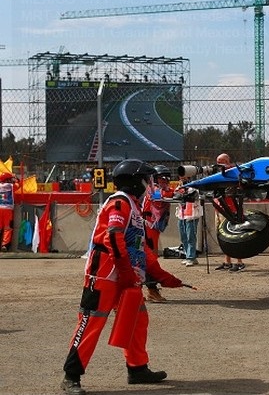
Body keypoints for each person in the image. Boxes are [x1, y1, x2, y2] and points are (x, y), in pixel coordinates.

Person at [60, 159, 184, 395]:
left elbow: (140, 250)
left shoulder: (133, 207)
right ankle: (71, 376)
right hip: (105, 274)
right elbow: (113, 238)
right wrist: (127, 272)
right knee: (90, 322)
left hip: (126, 278)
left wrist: (164, 277)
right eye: (145, 179)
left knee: (137, 320)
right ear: (135, 182)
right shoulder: (119, 202)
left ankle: (137, 369)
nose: (148, 184)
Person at [141, 164, 175, 302]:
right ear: (155, 179)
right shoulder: (153, 189)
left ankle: (144, 291)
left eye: (167, 178)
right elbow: (161, 196)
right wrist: (176, 193)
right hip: (146, 228)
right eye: (162, 178)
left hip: (152, 229)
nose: (165, 180)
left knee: (146, 259)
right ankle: (152, 291)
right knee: (150, 260)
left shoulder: (162, 188)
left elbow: (169, 192)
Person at [212, 153, 246, 272]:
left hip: (230, 209)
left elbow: (235, 188)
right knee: (222, 236)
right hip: (219, 208)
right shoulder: (216, 174)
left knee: (233, 235)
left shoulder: (233, 174)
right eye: (218, 161)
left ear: (227, 162)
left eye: (222, 161)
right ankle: (227, 261)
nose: (219, 164)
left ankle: (239, 261)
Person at [175, 176, 202, 267]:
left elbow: (193, 197)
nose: (182, 178)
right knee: (183, 237)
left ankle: (191, 257)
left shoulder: (194, 187)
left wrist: (183, 193)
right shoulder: (179, 188)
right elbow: (176, 196)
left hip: (192, 215)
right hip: (181, 215)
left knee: (191, 236)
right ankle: (188, 255)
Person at [0, 172, 16, 251]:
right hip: (8, 209)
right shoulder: (11, 186)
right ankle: (4, 245)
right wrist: (14, 178)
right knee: (8, 228)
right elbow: (18, 184)